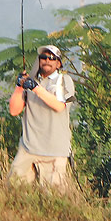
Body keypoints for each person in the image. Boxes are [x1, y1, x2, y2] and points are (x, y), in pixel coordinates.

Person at [8, 44, 76, 191]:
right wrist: (20, 85)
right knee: (13, 192)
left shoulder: (65, 81)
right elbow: (14, 110)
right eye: (43, 57)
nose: (47, 60)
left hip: (55, 151)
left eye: (52, 58)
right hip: (28, 147)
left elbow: (59, 106)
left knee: (54, 199)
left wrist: (35, 88)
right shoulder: (32, 82)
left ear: (58, 63)